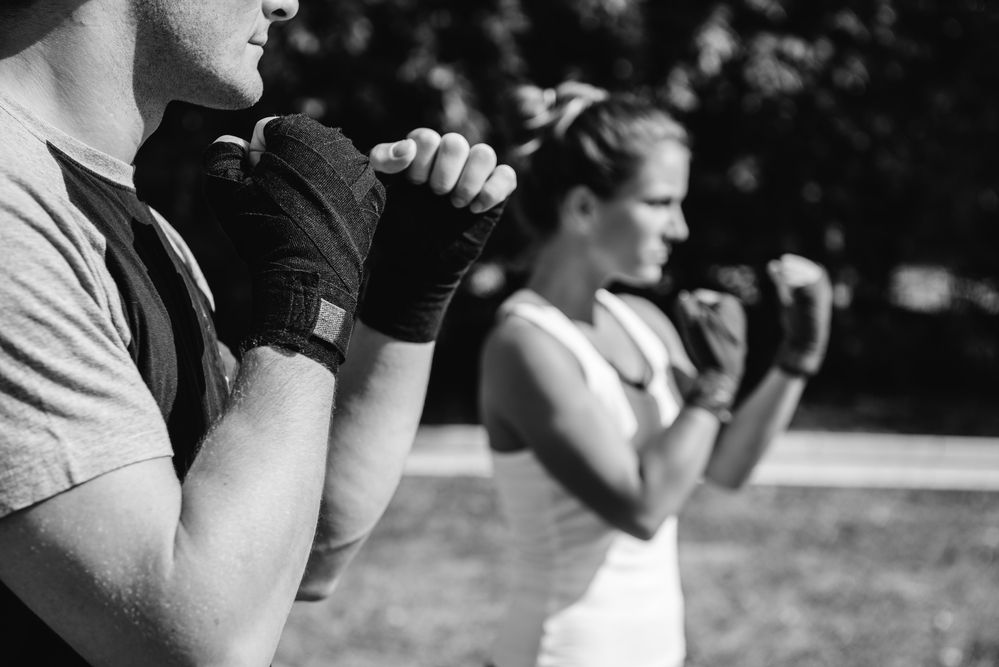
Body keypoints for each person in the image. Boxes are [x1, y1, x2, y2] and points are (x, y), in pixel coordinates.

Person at [0, 1, 515, 664]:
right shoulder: (12, 217)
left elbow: (302, 551)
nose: (286, 3)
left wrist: (403, 295)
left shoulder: (135, 226)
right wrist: (310, 299)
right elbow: (203, 639)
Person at [478, 81, 832, 667]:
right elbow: (642, 507)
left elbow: (723, 467)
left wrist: (796, 358)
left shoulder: (642, 321)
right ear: (584, 208)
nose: (680, 228)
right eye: (659, 203)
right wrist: (714, 388)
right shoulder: (524, 344)